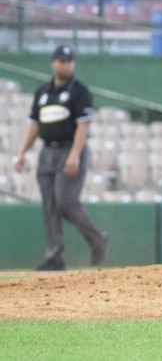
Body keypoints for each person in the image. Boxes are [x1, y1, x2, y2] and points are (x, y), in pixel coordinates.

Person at [13, 45, 109, 271]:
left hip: (69, 149)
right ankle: (54, 257)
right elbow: (34, 125)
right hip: (47, 152)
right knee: (49, 206)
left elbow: (83, 125)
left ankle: (97, 238)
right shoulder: (43, 92)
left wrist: (74, 155)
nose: (67, 65)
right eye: (62, 61)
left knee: (66, 202)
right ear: (53, 63)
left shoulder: (79, 91)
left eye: (70, 61)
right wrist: (21, 152)